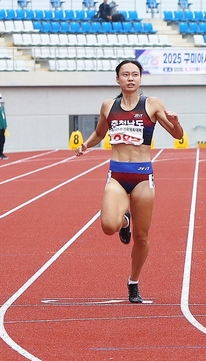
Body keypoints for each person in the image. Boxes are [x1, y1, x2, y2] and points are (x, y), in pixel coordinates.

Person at [73, 59, 183, 304]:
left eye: (135, 74)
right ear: (118, 79)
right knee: (108, 226)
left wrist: (176, 123)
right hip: (117, 174)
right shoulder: (108, 105)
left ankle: (133, 282)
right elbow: (100, 133)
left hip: (143, 175)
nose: (130, 78)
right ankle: (124, 221)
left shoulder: (152, 104)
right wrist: (85, 145)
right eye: (125, 74)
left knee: (142, 238)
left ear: (141, 79)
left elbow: (177, 135)